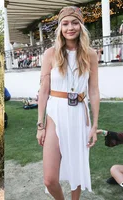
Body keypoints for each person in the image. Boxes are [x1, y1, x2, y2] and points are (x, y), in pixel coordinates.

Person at [36, 6, 99, 200]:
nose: (70, 27)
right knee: (49, 179)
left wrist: (94, 125)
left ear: (81, 26)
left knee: (77, 171)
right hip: (55, 113)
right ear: (60, 27)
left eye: (74, 23)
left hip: (79, 114)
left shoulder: (90, 54)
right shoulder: (50, 54)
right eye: (65, 23)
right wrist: (40, 124)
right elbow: (44, 90)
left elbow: (94, 90)